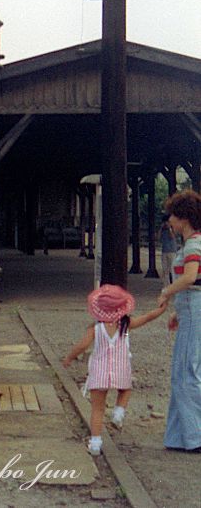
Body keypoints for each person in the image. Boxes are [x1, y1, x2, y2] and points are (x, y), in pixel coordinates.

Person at [62, 284, 167, 456]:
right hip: (120, 368)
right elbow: (147, 317)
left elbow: (81, 346)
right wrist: (162, 309)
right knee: (125, 390)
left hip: (99, 371)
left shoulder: (95, 329)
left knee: (97, 409)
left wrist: (69, 358)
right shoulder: (125, 325)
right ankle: (118, 412)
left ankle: (95, 443)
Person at [157, 190, 201, 451]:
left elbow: (190, 277)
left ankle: (196, 436)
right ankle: (179, 436)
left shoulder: (194, 245)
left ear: (183, 218)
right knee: (181, 371)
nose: (170, 220)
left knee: (187, 372)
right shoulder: (193, 243)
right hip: (190, 310)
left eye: (172, 215)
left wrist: (166, 293)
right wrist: (178, 310)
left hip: (194, 310)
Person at [159, 217, 179, 287]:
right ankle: (166, 285)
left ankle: (174, 284)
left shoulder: (173, 229)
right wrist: (161, 228)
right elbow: (158, 237)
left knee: (172, 269)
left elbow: (172, 237)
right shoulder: (163, 230)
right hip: (164, 251)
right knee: (165, 269)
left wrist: (170, 228)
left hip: (172, 251)